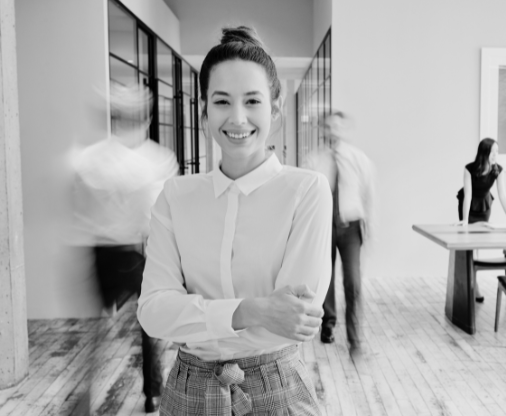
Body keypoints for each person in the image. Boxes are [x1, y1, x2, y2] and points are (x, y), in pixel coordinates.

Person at [137, 26, 332, 415]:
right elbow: (154, 312)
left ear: (275, 108)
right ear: (205, 109)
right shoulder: (175, 196)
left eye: (253, 101)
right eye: (222, 101)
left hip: (276, 387)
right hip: (188, 392)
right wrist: (254, 310)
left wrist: (196, 315)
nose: (238, 117)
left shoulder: (306, 190)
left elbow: (295, 318)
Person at [71, 83, 177, 414]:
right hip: (137, 251)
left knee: (98, 331)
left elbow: (80, 209)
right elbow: (157, 214)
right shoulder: (157, 160)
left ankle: (86, 394)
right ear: (143, 118)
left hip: (101, 252)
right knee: (149, 327)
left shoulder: (89, 159)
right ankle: (153, 394)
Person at [303, 111, 375, 358]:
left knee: (353, 283)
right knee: (326, 279)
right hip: (323, 228)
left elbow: (368, 196)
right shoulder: (313, 160)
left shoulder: (358, 159)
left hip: (351, 227)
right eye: (328, 126)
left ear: (344, 129)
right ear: (322, 129)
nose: (332, 130)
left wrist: (371, 230)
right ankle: (328, 324)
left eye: (337, 126)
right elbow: (306, 198)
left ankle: (356, 341)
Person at [456, 137, 506, 302]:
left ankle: (473, 282)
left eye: (497, 152)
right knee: (468, 247)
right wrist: (465, 220)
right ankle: (473, 286)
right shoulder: (469, 169)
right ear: (484, 152)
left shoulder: (498, 169)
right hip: (468, 206)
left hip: (484, 206)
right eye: (493, 152)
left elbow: (502, 194)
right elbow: (468, 195)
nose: (495, 155)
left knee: (477, 245)